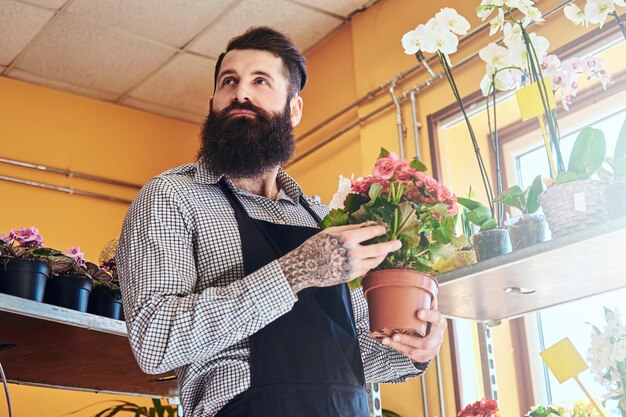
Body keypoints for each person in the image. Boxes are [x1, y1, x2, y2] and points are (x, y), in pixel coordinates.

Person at [117, 26, 446, 417]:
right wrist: (296, 270)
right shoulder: (172, 196)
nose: (241, 93)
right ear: (212, 105)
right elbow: (156, 342)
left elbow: (353, 353)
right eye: (229, 82)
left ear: (294, 110)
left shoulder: (325, 219)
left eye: (260, 81)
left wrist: (415, 351)